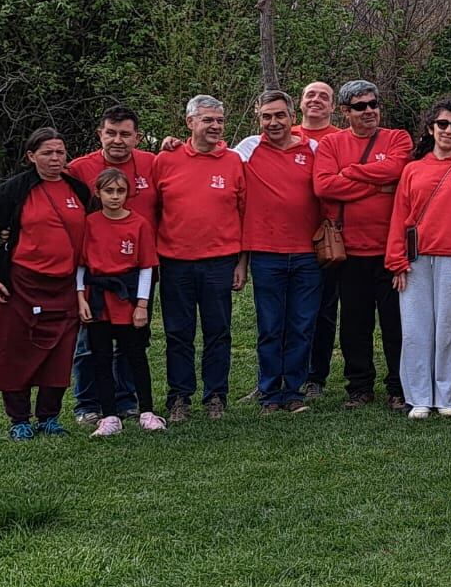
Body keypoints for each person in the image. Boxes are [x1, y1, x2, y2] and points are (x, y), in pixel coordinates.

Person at [386, 99, 451, 419]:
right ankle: (418, 396)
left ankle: (447, 395)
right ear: (431, 128)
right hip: (416, 261)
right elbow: (399, 217)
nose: (448, 130)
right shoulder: (412, 169)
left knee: (449, 330)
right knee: (415, 330)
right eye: (442, 124)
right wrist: (396, 260)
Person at [313, 80, 413, 410]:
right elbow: (325, 186)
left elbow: (397, 168)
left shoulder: (397, 137)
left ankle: (399, 386)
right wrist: (376, 187)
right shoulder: (331, 144)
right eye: (359, 106)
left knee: (395, 324)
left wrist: (351, 173)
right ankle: (359, 387)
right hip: (349, 250)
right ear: (344, 112)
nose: (369, 111)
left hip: (390, 249)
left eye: (373, 104)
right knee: (355, 324)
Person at [0, 128, 91, 440]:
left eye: (60, 152)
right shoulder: (14, 190)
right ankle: (19, 419)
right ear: (31, 156)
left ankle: (49, 417)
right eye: (47, 153)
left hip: (64, 285)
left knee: (59, 354)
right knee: (15, 350)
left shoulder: (78, 190)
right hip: (20, 283)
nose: (55, 159)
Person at [150, 96, 245, 422]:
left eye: (219, 120)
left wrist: (241, 263)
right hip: (175, 261)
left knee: (218, 332)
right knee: (178, 332)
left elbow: (244, 213)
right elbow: (153, 210)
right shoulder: (165, 159)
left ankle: (216, 396)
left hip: (220, 261)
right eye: (207, 120)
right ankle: (179, 397)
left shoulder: (233, 161)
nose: (215, 126)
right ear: (190, 122)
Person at [66, 105, 156, 423]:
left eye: (125, 134)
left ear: (137, 137)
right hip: (95, 275)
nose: (118, 140)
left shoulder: (152, 163)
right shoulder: (77, 168)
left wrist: (172, 142)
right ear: (100, 134)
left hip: (137, 268)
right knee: (90, 344)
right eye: (111, 133)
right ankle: (88, 404)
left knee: (132, 340)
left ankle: (127, 400)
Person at [235, 90, 323, 413]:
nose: (273, 122)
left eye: (279, 115)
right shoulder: (248, 148)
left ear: (291, 117)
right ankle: (270, 393)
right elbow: (212, 155)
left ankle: (295, 391)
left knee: (301, 325)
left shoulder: (312, 148)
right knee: (270, 326)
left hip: (307, 254)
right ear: (259, 119)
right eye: (266, 116)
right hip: (266, 253)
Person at [76, 169, 160, 436]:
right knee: (99, 358)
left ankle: (146, 410)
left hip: (128, 299)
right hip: (98, 299)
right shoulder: (89, 223)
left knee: (135, 355)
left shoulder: (139, 224)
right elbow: (80, 265)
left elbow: (147, 267)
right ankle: (110, 416)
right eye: (109, 191)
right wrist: (80, 298)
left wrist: (142, 305)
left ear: (128, 193)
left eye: (120, 191)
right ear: (98, 193)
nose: (114, 197)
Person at [295, 81, 341, 404]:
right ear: (300, 103)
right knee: (285, 313)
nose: (316, 100)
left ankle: (315, 376)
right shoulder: (284, 132)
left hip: (328, 238)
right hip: (288, 237)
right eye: (310, 95)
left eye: (323, 97)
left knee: (324, 311)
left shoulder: (340, 139)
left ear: (333, 107)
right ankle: (281, 374)